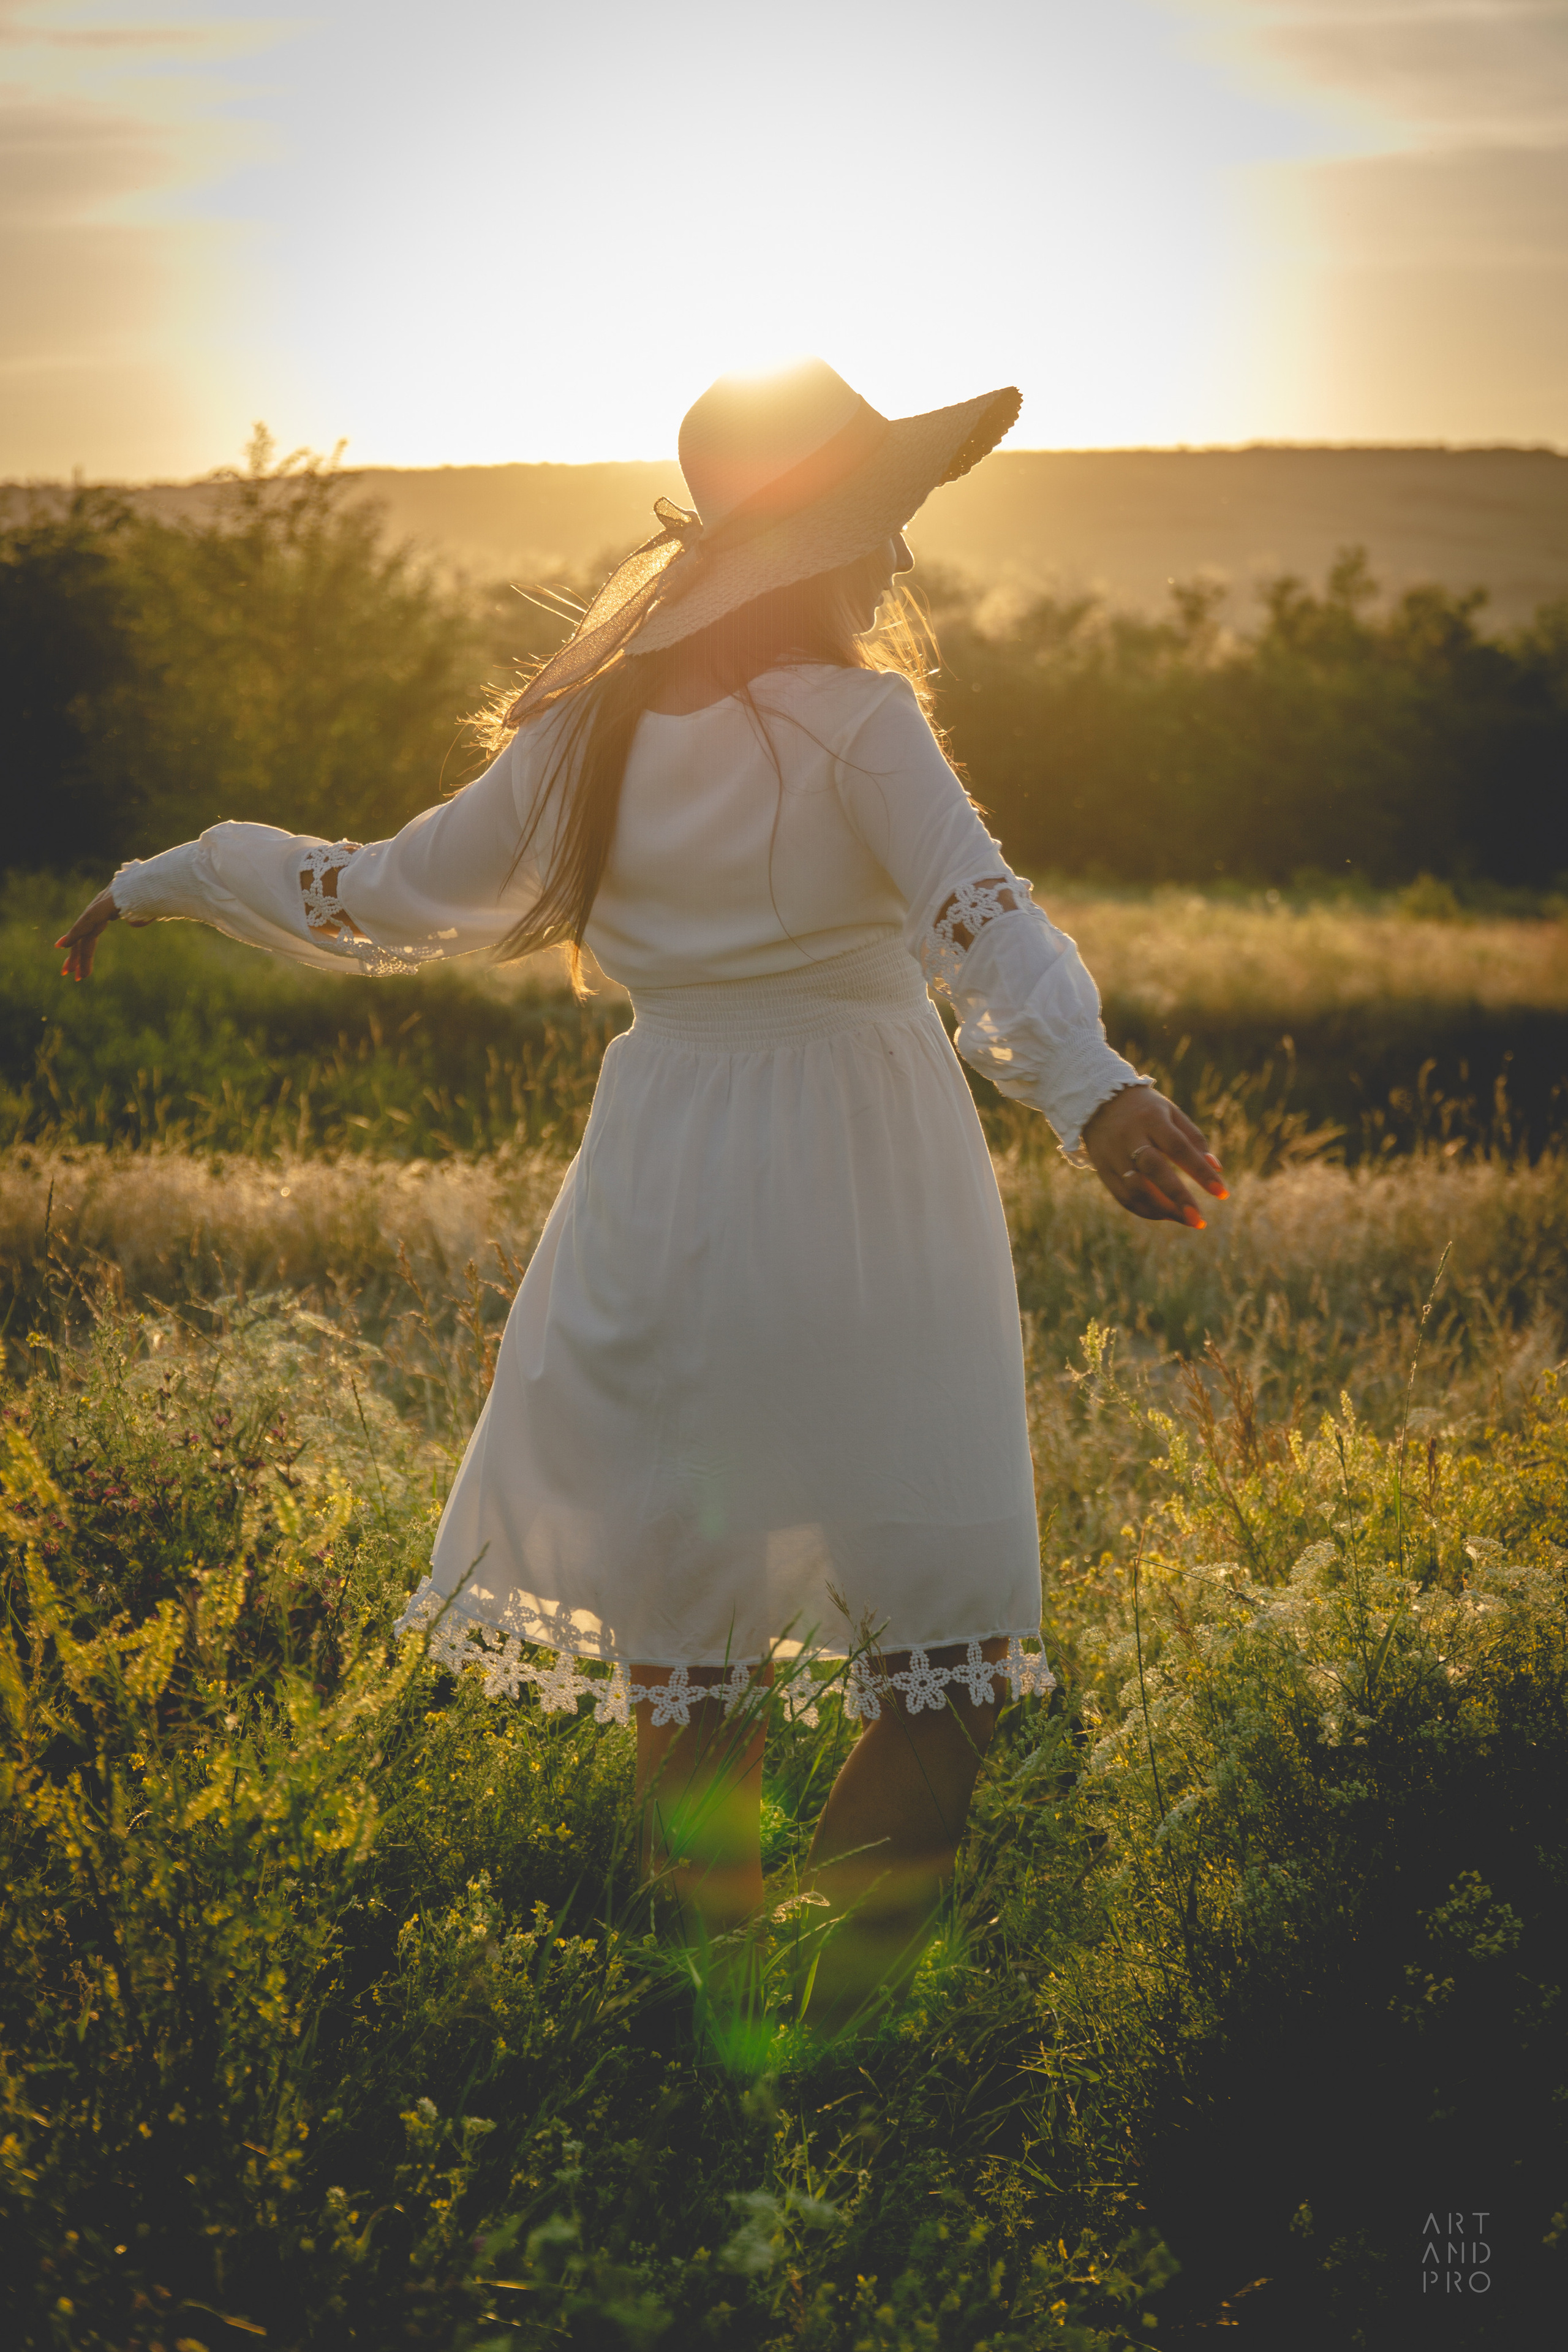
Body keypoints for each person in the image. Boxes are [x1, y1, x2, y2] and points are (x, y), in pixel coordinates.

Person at [58, 358, 1224, 2031]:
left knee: (696, 1672)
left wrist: (155, 876)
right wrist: (1094, 1089)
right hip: (863, 1179)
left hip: (666, 1182)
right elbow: (985, 922)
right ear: (820, 539)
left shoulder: (586, 742)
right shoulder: (860, 724)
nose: (897, 561)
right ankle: (819, 2048)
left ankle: (735, 2042)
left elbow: (371, 887)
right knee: (945, 1664)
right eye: (881, 522)